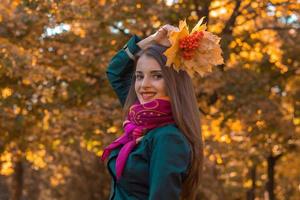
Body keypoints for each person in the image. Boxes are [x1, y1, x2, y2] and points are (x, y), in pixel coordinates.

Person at [101, 25, 204, 200]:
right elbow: (115, 72)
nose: (144, 85)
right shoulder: (140, 118)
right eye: (139, 76)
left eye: (157, 76)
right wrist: (153, 40)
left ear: (174, 83)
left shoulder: (169, 138)